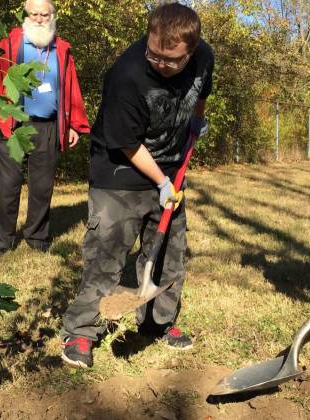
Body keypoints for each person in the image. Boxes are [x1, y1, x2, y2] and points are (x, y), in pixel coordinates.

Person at [59, 2, 214, 369]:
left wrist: (196, 121)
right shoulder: (127, 75)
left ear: (191, 50)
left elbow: (202, 90)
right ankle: (82, 330)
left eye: (171, 60)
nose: (160, 64)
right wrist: (160, 181)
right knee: (107, 252)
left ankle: (158, 323)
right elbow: (127, 143)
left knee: (167, 251)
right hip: (119, 172)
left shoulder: (204, 56)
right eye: (154, 54)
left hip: (173, 164)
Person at [0, 0, 90, 257]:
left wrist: (74, 124)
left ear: (53, 15)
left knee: (42, 186)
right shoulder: (9, 45)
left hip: (48, 126)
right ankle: (2, 241)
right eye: (35, 14)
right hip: (11, 125)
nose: (40, 19)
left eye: (45, 14)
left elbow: (71, 88)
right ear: (26, 15)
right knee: (6, 184)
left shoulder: (61, 49)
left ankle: (37, 237)